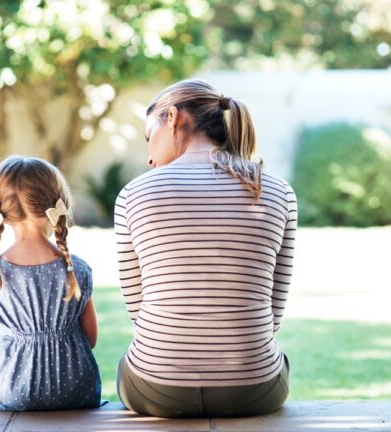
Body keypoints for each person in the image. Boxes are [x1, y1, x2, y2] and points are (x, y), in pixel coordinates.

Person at [114, 79, 297, 417]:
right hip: (253, 389)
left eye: (147, 137)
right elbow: (273, 311)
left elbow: (138, 311)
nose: (150, 157)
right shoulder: (277, 190)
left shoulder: (133, 194)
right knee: (278, 359)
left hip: (156, 389)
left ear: (172, 118)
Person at [0, 155, 101, 411]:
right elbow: (90, 338)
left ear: (1, 209)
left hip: (9, 391)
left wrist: (12, 335)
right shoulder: (77, 269)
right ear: (57, 204)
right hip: (74, 390)